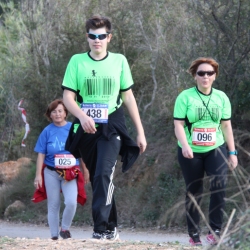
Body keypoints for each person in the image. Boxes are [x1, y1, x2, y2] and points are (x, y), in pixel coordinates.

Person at [61, 14, 147, 240]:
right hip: (86, 127)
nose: (96, 40)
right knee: (100, 178)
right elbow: (68, 97)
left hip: (112, 125)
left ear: (109, 37)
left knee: (103, 175)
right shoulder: (77, 62)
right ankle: (111, 227)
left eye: (101, 36)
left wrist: (140, 131)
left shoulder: (119, 61)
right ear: (87, 37)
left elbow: (128, 97)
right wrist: (81, 116)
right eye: (92, 36)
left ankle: (100, 229)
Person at [173, 57, 238, 246]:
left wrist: (232, 153)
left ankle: (215, 231)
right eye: (201, 73)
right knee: (195, 190)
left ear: (215, 76)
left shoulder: (222, 97)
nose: (205, 76)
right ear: (195, 76)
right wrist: (184, 144)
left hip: (215, 147)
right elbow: (178, 124)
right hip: (190, 150)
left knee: (219, 185)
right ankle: (194, 234)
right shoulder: (185, 97)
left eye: (209, 73)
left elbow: (226, 125)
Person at [33, 99, 89, 240]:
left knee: (71, 201)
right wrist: (38, 175)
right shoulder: (46, 131)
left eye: (60, 111)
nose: (57, 114)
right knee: (54, 204)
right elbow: (41, 154)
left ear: (65, 113)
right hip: (51, 172)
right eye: (54, 111)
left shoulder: (73, 128)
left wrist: (86, 169)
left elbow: (81, 151)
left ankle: (65, 229)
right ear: (50, 115)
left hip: (70, 172)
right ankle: (54, 236)